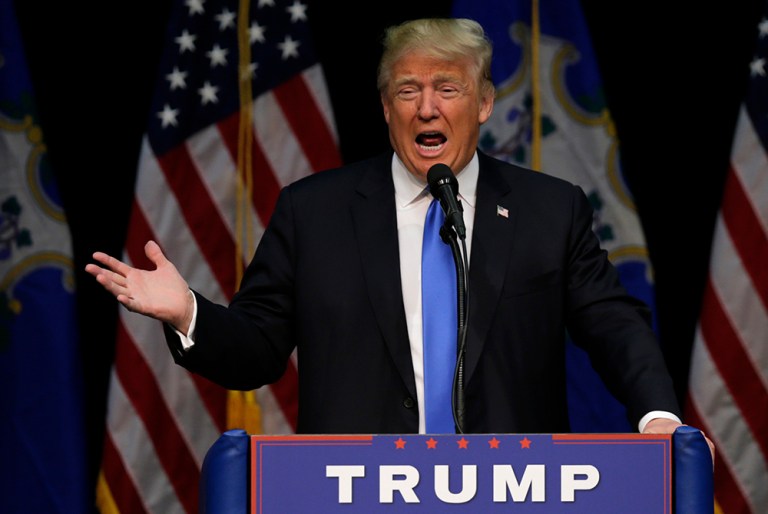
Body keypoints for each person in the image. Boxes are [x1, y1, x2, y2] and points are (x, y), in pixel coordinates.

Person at [86, 18, 709, 448]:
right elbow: (258, 349)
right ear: (386, 107)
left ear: (485, 102)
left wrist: (658, 415)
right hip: (358, 494)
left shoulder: (551, 210)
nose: (426, 107)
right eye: (408, 90)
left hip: (514, 492)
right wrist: (189, 313)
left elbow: (615, 324)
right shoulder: (315, 212)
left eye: (448, 88)